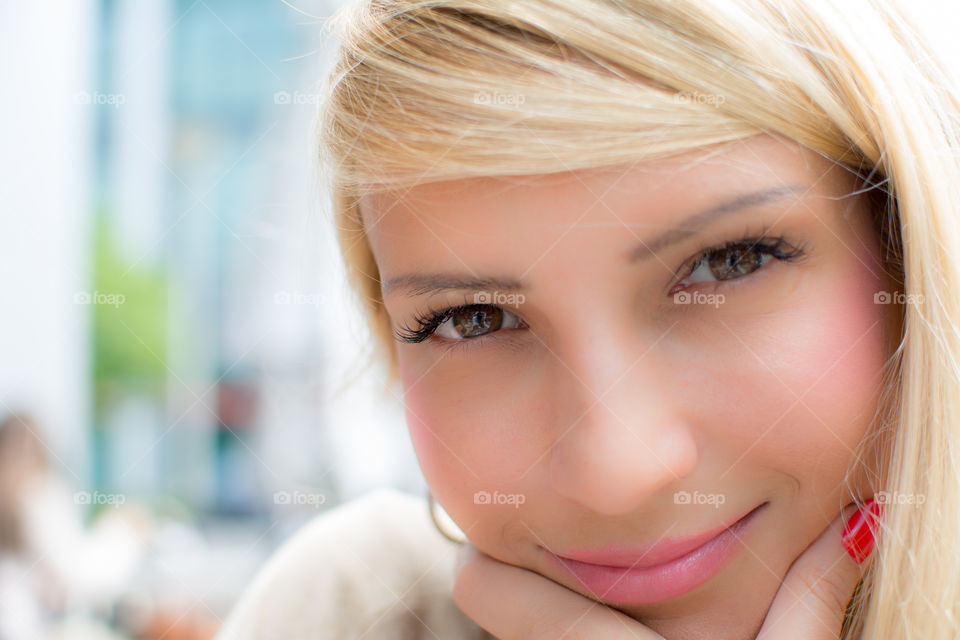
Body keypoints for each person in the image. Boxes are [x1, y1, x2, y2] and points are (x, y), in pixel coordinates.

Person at [218, 0, 960, 638]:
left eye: (728, 263)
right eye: (474, 319)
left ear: (907, 243)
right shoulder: (355, 612)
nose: (618, 474)